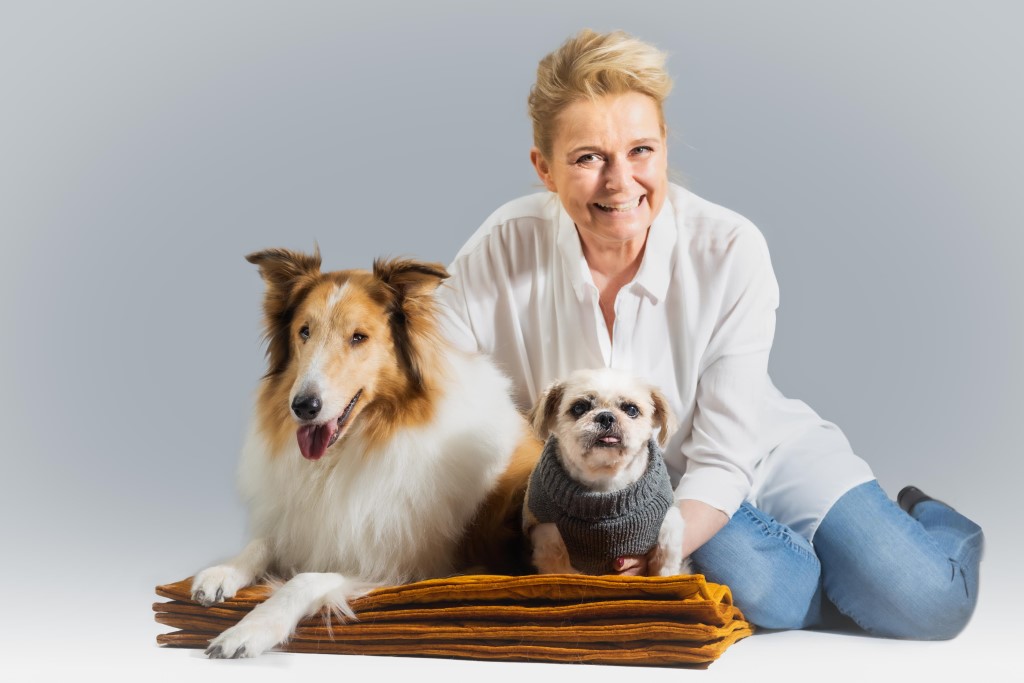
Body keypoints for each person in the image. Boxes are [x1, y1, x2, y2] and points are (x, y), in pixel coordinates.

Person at [435, 29, 983, 639]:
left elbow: (724, 456)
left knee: (928, 602)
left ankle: (932, 519)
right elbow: (431, 376)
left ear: (665, 147)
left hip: (756, 454)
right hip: (632, 492)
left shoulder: (730, 248)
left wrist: (655, 556)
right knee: (775, 601)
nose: (620, 182)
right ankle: (813, 566)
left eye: (640, 150)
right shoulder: (502, 245)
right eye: (588, 158)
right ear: (544, 168)